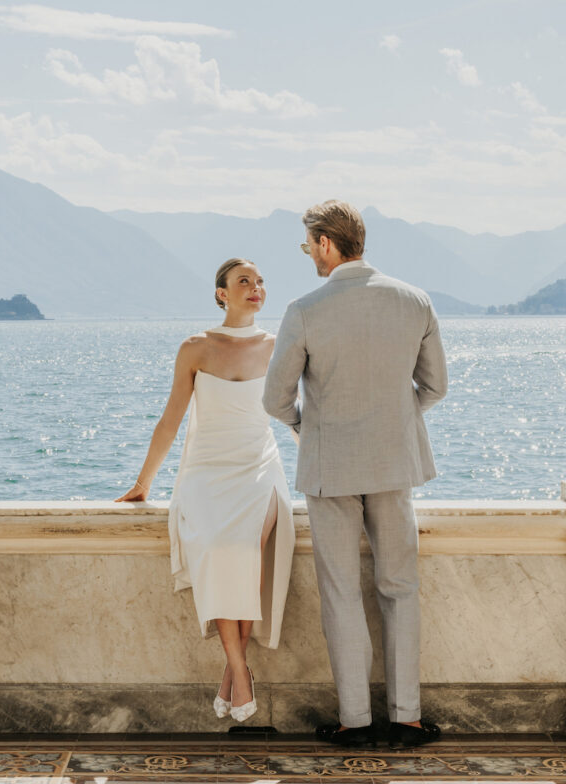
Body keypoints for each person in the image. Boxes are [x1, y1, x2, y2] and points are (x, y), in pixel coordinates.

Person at [263, 200, 448, 748]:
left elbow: (275, 399)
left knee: (342, 592)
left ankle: (355, 721)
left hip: (330, 466)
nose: (309, 256)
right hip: (395, 464)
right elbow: (434, 388)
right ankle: (408, 718)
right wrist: (393, 417)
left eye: (307, 246)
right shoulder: (414, 300)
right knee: (401, 588)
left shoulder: (304, 309)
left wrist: (307, 426)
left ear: (325, 243)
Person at [116, 258, 295, 723]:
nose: (255, 288)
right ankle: (239, 668)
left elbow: (296, 417)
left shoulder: (279, 347)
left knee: (244, 553)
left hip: (258, 468)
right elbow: (171, 419)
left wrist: (327, 474)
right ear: (221, 293)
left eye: (260, 281)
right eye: (244, 282)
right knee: (216, 548)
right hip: (205, 472)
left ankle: (234, 673)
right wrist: (143, 483)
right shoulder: (195, 348)